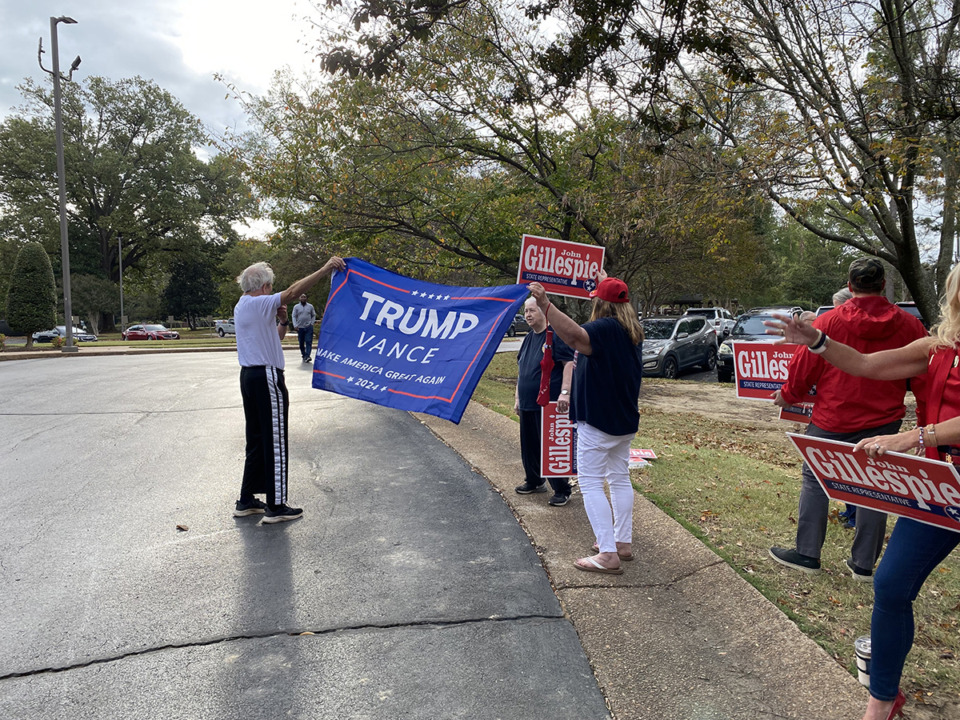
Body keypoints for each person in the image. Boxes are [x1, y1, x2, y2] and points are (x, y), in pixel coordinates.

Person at [766, 266, 960, 720]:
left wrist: (917, 436)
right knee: (891, 585)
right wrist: (815, 341)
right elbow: (869, 365)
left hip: (928, 455)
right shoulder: (938, 346)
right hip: (940, 487)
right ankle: (882, 702)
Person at [769, 258, 928, 580]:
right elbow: (925, 376)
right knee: (875, 485)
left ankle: (807, 553)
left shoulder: (830, 322)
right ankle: (864, 565)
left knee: (814, 477)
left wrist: (788, 394)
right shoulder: (911, 326)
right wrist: (924, 422)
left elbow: (805, 366)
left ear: (850, 285)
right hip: (885, 420)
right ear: (883, 284)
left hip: (833, 417)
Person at [528, 274, 643, 574]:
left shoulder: (604, 328)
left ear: (601, 304)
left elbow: (576, 337)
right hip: (623, 422)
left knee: (591, 482)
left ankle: (607, 553)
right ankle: (622, 542)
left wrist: (546, 305)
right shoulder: (631, 331)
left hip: (599, 421)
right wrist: (607, 281)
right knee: (619, 478)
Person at [233, 257, 345, 523]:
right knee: (275, 439)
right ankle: (276, 505)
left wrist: (282, 322)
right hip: (266, 376)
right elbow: (294, 292)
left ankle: (246, 500)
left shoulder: (243, 305)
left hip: (249, 375)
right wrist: (325, 268)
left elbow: (277, 338)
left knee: (258, 439)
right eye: (271, 287)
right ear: (265, 286)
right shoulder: (260, 302)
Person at [514, 296, 576, 506]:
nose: (527, 315)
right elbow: (521, 370)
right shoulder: (528, 338)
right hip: (527, 403)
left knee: (550, 447)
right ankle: (534, 480)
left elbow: (569, 364)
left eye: (531, 310)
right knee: (529, 446)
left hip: (549, 404)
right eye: (526, 311)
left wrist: (565, 392)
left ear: (543, 311)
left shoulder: (555, 336)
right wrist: (517, 397)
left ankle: (561, 489)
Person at [293, 293, 317, 363]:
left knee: (308, 341)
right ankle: (304, 355)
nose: (303, 298)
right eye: (302, 297)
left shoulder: (310, 306)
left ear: (306, 298)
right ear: (299, 298)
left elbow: (313, 315)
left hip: (308, 327)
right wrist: (295, 325)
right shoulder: (296, 307)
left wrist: (312, 323)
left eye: (304, 297)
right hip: (300, 327)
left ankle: (307, 356)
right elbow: (294, 316)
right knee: (301, 342)